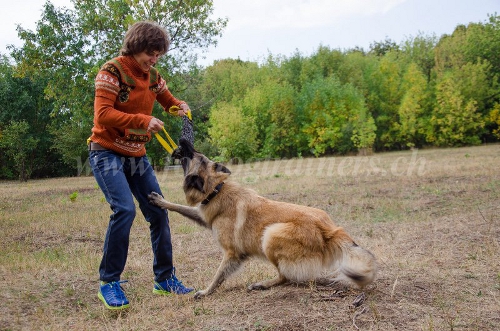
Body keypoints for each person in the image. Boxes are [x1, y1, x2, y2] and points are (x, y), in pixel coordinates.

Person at [88, 21, 193, 310]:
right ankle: (109, 282)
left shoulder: (153, 75)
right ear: (136, 47)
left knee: (159, 212)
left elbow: (167, 101)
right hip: (106, 152)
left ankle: (164, 279)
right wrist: (143, 120)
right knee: (124, 210)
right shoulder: (112, 71)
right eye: (151, 53)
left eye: (159, 54)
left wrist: (179, 106)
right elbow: (103, 115)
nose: (155, 60)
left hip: (137, 155)